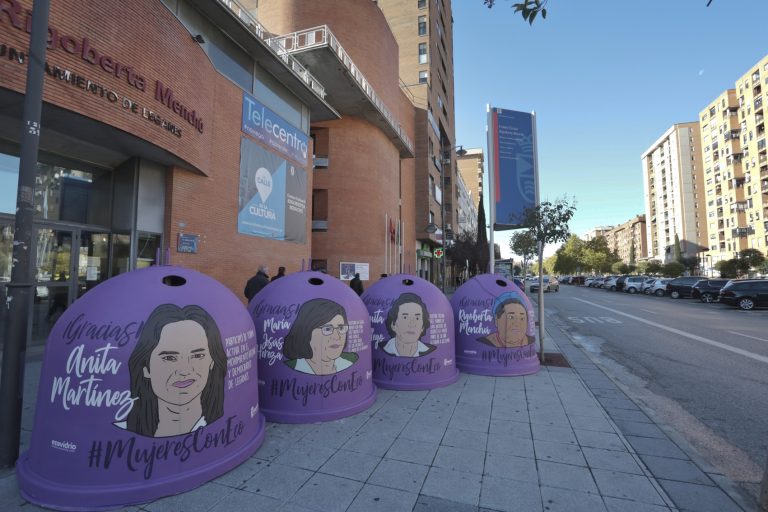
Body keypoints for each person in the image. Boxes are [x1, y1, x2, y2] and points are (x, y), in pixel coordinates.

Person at [122, 304, 227, 437]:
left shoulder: (218, 426)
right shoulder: (121, 431)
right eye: (170, 357)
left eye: (197, 355)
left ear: (211, 362)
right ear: (145, 368)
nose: (184, 370)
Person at [283, 298, 358, 375]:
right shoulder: (289, 367)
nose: (337, 336)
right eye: (327, 329)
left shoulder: (351, 361)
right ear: (306, 332)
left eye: (341, 328)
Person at [382, 292, 436, 357]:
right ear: (393, 325)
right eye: (405, 317)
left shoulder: (431, 350)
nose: (412, 324)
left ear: (422, 327)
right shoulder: (381, 349)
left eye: (417, 318)